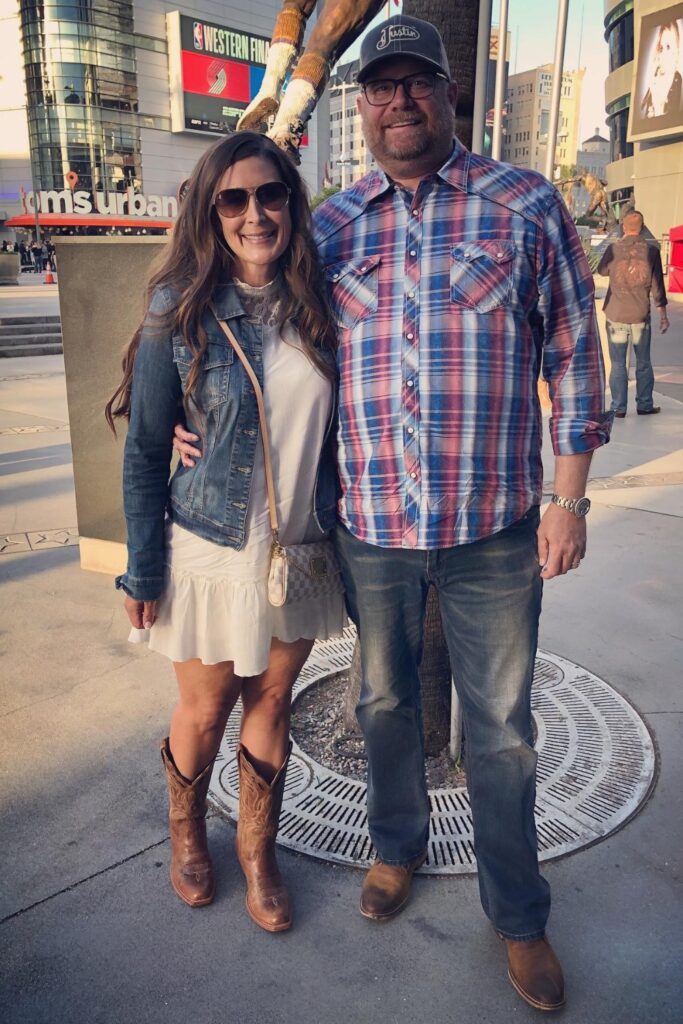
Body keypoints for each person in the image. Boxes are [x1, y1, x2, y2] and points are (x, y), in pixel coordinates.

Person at [175, 15, 611, 1011]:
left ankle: (518, 913)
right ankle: (394, 847)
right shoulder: (327, 225)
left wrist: (567, 497)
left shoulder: (524, 204)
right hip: (368, 524)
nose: (398, 100)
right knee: (379, 706)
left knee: (498, 729)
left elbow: (572, 359)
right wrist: (175, 420)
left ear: (448, 95)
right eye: (380, 87)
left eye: (417, 83)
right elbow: (237, 318)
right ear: (361, 105)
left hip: (494, 527)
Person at [106, 131, 344, 932]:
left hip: (300, 550)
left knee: (272, 701)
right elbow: (144, 452)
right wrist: (141, 571)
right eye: (233, 198)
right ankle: (186, 833)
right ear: (211, 210)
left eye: (269, 194)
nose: (253, 213)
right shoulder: (182, 309)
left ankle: (256, 850)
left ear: (290, 202)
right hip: (209, 548)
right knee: (206, 711)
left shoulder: (323, 304)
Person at [597, 209, 669, 417]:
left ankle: (618, 407)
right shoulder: (652, 251)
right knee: (644, 362)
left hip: (616, 313)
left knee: (618, 363)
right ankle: (644, 404)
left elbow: (602, 271)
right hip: (640, 315)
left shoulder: (613, 248)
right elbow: (658, 286)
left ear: (623, 227)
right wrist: (663, 315)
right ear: (642, 227)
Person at [640, 20, 682, 119]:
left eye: (668, 47)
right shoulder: (655, 80)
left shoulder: (677, 79)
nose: (663, 54)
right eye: (661, 48)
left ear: (676, 52)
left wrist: (658, 105)